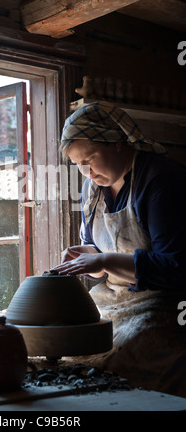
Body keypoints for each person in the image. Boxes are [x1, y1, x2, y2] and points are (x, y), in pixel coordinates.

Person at [52, 101, 186, 397]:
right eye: (77, 165)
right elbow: (98, 250)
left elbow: (177, 268)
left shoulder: (160, 180)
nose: (86, 172)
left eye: (90, 159)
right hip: (110, 300)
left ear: (117, 142)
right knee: (64, 343)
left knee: (121, 352)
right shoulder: (93, 188)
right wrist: (91, 259)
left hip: (162, 303)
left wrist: (108, 260)